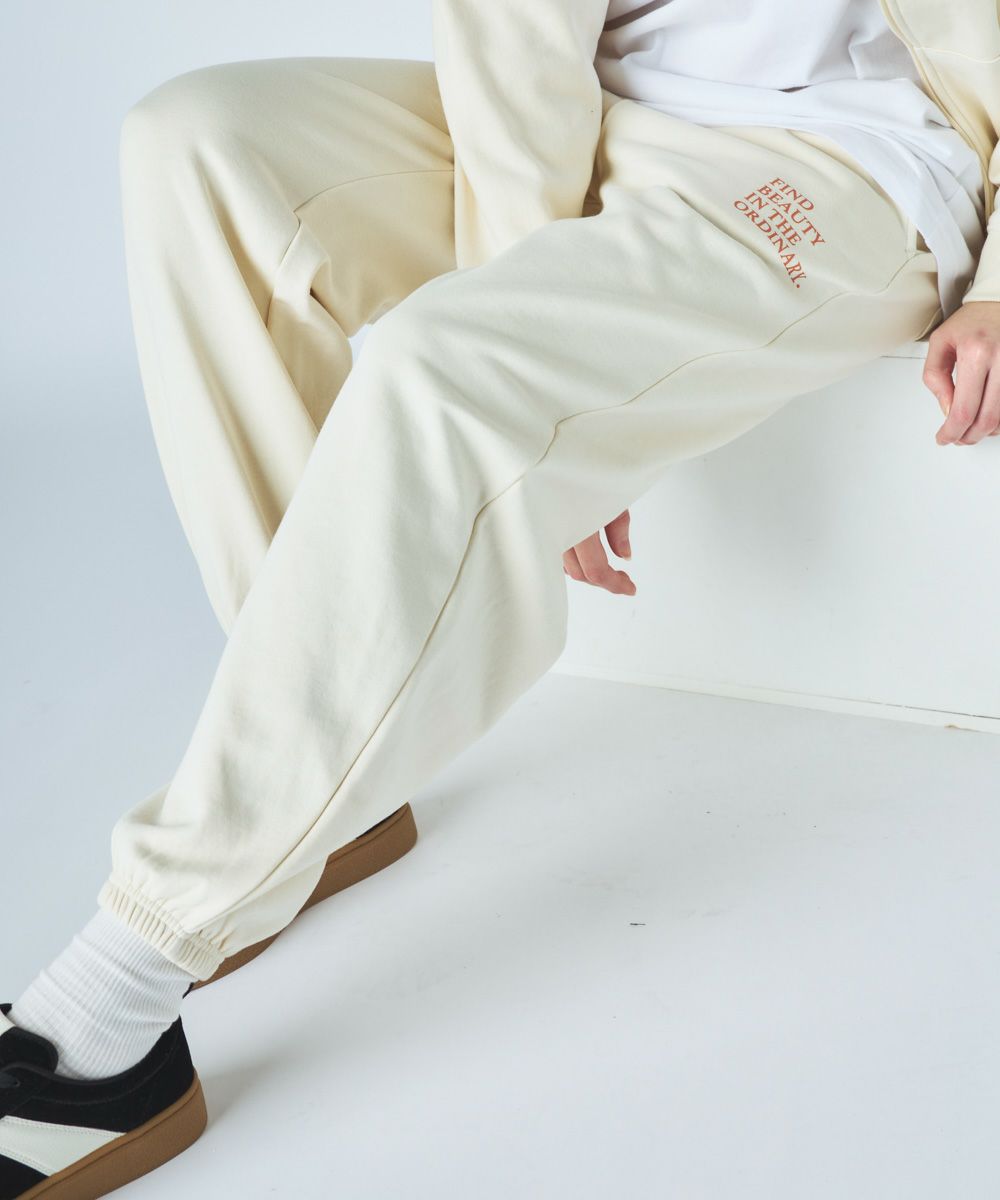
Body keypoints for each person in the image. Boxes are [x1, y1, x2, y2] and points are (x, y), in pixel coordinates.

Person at [2, 0, 999, 1194]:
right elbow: (516, 48)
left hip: (848, 161)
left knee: (444, 370)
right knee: (198, 144)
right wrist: (536, 318)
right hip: (602, 118)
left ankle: (119, 995)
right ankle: (321, 779)